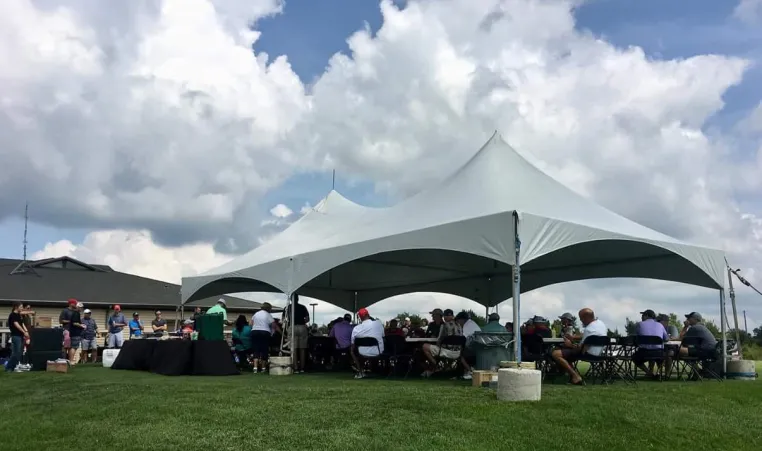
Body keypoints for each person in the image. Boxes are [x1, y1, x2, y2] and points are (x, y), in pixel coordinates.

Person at [550, 308, 607, 385]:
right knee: (566, 354)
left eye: (581, 318)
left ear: (586, 318)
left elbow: (579, 349)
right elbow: (588, 335)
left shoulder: (588, 329)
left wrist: (570, 345)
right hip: (599, 354)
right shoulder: (600, 324)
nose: (581, 320)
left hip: (587, 354)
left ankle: (575, 376)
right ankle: (570, 375)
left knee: (556, 353)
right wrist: (574, 337)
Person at [422, 309, 468, 378]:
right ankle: (447, 368)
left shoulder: (444, 325)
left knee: (424, 346)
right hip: (458, 353)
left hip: (446, 352)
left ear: (444, 316)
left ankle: (438, 367)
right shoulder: (459, 326)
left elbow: (439, 341)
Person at [633, 309, 669, 379]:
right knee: (664, 356)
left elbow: (635, 337)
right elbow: (667, 339)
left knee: (634, 358)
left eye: (643, 315)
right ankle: (659, 373)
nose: (641, 317)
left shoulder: (639, 324)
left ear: (646, 316)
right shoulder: (660, 325)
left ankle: (649, 372)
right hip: (658, 353)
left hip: (644, 352)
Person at [350, 308, 385, 379]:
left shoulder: (356, 328)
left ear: (359, 317)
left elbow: (353, 344)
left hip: (362, 352)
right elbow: (383, 336)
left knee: (352, 350)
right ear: (368, 315)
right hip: (378, 351)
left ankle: (360, 371)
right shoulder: (378, 323)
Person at [250, 302, 280, 373]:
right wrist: (281, 333)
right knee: (264, 349)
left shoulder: (256, 314)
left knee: (256, 349)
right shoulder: (268, 315)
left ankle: (255, 368)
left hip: (255, 332)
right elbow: (274, 326)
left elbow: (251, 324)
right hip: (265, 332)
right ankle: (263, 368)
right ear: (269, 309)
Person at [284, 298, 310, 373]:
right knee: (302, 348)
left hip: (292, 326)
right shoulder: (303, 307)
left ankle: (295, 368)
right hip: (302, 327)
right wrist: (302, 321)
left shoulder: (287, 307)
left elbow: (284, 319)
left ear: (291, 299)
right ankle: (302, 368)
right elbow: (307, 319)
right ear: (298, 299)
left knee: (293, 348)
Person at [6, 302, 29, 372]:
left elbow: (22, 324)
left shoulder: (19, 315)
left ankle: (14, 367)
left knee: (19, 353)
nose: (22, 308)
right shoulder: (12, 315)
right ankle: (9, 367)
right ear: (16, 307)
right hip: (16, 336)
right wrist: (24, 332)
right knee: (16, 353)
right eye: (21, 307)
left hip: (20, 336)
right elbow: (17, 325)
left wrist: (26, 331)